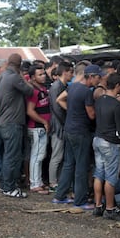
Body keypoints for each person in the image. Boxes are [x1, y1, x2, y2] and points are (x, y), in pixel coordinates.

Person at [52, 65, 99, 209]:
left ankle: (59, 196)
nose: (99, 79)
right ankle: (80, 200)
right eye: (98, 77)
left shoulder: (72, 87)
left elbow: (59, 99)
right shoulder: (87, 92)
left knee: (68, 164)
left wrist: (72, 109)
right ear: (90, 77)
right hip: (81, 132)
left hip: (69, 129)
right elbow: (91, 115)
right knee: (81, 166)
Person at [92, 73, 120, 220]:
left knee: (98, 174)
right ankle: (110, 208)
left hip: (97, 139)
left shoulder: (100, 100)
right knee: (111, 177)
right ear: (119, 85)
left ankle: (98, 206)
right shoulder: (117, 106)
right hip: (110, 143)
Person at [0, 53, 34, 198]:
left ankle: (5, 185)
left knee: (8, 155)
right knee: (12, 156)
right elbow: (30, 91)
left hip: (4, 121)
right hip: (12, 122)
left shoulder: (2, 76)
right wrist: (24, 78)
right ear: (19, 65)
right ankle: (9, 187)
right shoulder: (14, 77)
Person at [47, 61, 73, 192]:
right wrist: (66, 121)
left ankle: (58, 181)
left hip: (61, 125)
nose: (72, 75)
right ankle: (52, 182)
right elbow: (57, 108)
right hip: (58, 126)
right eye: (71, 72)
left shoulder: (64, 85)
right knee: (57, 155)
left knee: (60, 156)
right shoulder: (56, 86)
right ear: (65, 72)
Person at [26, 64, 51, 195]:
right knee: (37, 156)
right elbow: (30, 111)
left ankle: (38, 181)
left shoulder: (42, 89)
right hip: (36, 128)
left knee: (40, 155)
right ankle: (34, 183)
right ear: (32, 77)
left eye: (44, 74)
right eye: (40, 74)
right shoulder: (34, 91)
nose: (43, 76)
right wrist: (44, 122)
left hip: (41, 127)